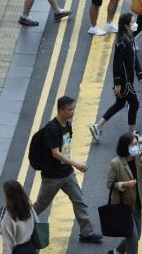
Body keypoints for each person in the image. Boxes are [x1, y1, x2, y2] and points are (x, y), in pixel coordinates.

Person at [33, 96, 103, 243]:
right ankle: (17, 222)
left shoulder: (68, 125)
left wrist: (70, 165)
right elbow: (55, 153)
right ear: (61, 111)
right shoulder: (52, 129)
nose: (73, 111)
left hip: (67, 173)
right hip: (52, 177)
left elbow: (65, 149)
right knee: (40, 205)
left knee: (79, 201)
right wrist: (75, 164)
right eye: (70, 109)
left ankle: (86, 233)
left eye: (73, 108)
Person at [90, 13, 142, 143]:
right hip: (125, 81)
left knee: (120, 104)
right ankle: (132, 135)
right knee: (134, 104)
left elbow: (134, 58)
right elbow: (116, 64)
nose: (135, 23)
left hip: (128, 79)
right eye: (132, 22)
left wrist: (140, 74)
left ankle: (97, 127)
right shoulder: (121, 42)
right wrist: (118, 83)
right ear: (126, 26)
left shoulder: (130, 38)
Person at [106, 133, 142, 254]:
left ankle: (117, 251)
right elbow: (109, 184)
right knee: (133, 238)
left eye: (136, 143)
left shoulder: (139, 159)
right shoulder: (115, 163)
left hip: (137, 203)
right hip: (124, 206)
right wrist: (124, 184)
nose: (135, 146)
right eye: (132, 144)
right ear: (124, 146)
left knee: (135, 236)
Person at [1, 180, 37, 254]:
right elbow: (37, 224)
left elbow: (7, 245)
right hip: (31, 248)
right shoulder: (29, 208)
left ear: (8, 196)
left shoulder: (8, 217)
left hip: (18, 251)